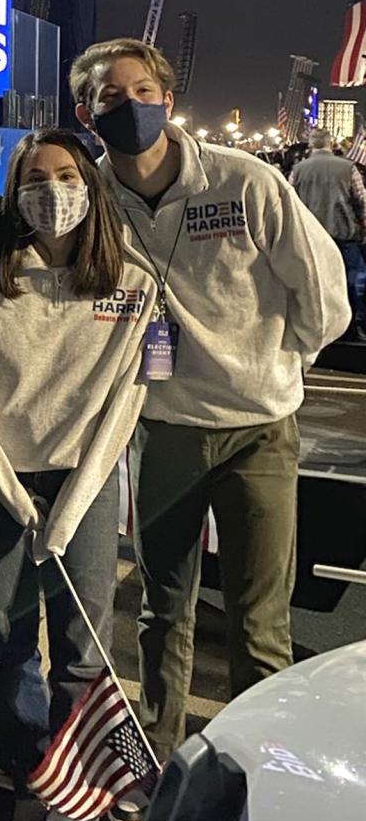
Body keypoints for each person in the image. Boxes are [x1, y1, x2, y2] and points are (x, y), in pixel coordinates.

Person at [69, 38, 348, 774]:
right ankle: (161, 754)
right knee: (164, 611)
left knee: (260, 622)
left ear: (168, 97)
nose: (129, 106)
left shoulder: (245, 182)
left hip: (258, 431)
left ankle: (265, 767)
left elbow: (324, 296)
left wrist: (279, 367)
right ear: (85, 111)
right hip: (162, 431)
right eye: (109, 96)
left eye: (142, 90)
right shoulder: (91, 201)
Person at [0, 127, 157, 821]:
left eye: (67, 174)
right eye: (34, 177)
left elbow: (124, 404)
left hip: (86, 481)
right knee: (8, 641)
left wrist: (68, 508)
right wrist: (7, 487)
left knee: (81, 648)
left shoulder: (130, 284)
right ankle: (35, 771)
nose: (52, 189)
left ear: (90, 184)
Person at [290, 127, 366, 341]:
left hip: (310, 236)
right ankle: (349, 328)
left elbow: (289, 203)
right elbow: (361, 201)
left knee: (313, 282)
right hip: (344, 234)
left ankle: (315, 327)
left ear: (311, 145)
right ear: (330, 143)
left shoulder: (298, 169)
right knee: (348, 282)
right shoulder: (348, 168)